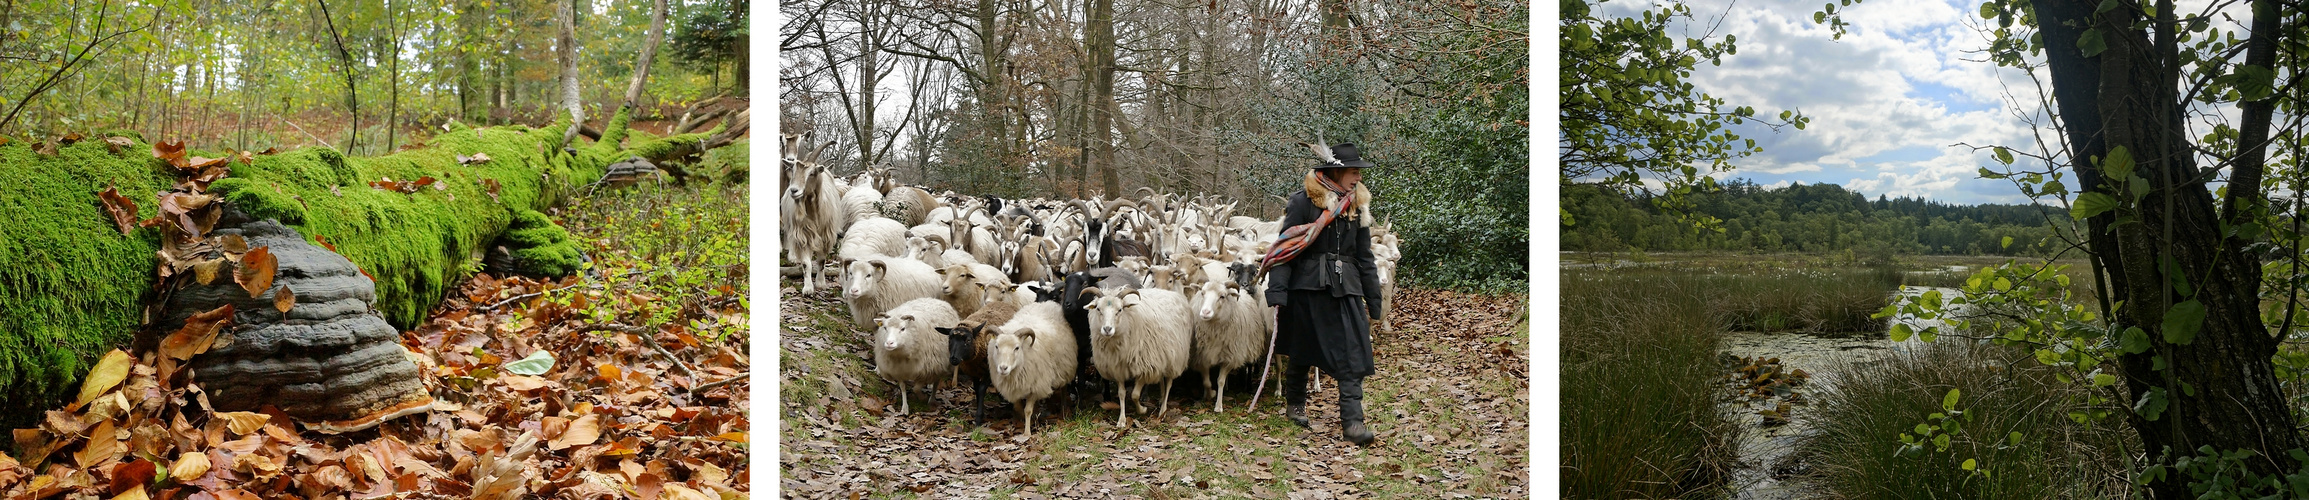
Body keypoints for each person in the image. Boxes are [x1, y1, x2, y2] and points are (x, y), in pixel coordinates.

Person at [1265, 142, 1383, 445]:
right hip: (1307, 289)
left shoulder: (1358, 206)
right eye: (1353, 172)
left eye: (1358, 173)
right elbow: (1285, 250)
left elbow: (1365, 256)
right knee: (1302, 352)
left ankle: (1353, 423)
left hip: (1346, 291)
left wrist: (1374, 299)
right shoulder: (1304, 202)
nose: (1357, 178)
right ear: (1336, 171)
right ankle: (1295, 405)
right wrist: (1278, 291)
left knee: (1352, 354)